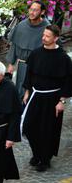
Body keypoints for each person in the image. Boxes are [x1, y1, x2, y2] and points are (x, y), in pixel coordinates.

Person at [22, 25, 72, 172]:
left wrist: (62, 101)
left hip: (53, 99)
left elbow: (68, 81)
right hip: (35, 96)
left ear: (55, 38)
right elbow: (29, 74)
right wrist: (26, 92)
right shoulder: (36, 54)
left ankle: (45, 159)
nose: (43, 38)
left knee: (47, 130)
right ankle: (36, 153)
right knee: (29, 127)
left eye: (47, 36)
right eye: (43, 35)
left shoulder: (63, 58)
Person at [6, 1, 49, 100]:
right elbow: (15, 45)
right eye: (31, 9)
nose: (32, 12)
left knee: (32, 95)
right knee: (19, 93)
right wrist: (11, 64)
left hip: (38, 67)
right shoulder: (22, 25)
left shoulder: (47, 28)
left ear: (42, 12)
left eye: (35, 10)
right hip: (21, 66)